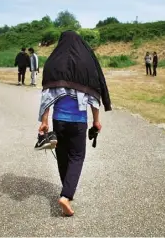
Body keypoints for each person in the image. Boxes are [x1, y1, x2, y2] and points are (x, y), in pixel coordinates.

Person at [36, 30, 112, 217]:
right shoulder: (85, 63)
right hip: (78, 122)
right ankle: (66, 195)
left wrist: (44, 121)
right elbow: (94, 97)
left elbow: (48, 96)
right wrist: (96, 121)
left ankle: (66, 190)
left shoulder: (54, 62)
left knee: (62, 156)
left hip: (58, 121)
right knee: (77, 157)